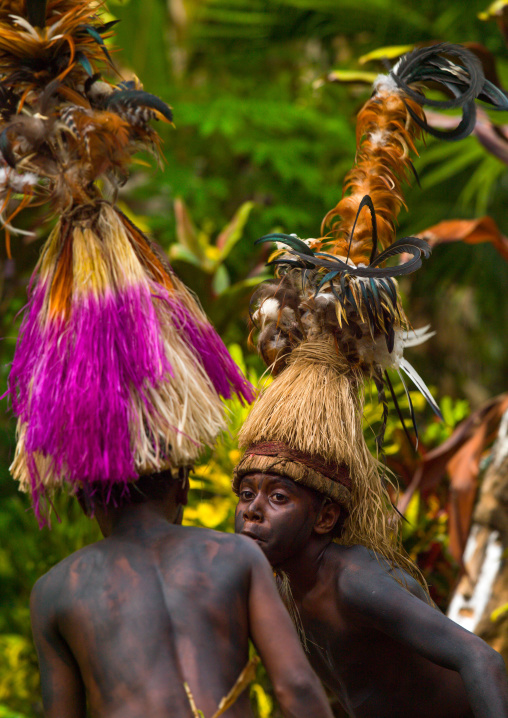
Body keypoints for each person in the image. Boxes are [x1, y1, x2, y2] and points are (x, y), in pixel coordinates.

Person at [30, 469, 335, 718]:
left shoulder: (55, 589)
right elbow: (297, 687)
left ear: (85, 502)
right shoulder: (236, 554)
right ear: (183, 487)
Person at [234, 461, 508, 718]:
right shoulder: (283, 593)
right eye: (246, 494)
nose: (252, 510)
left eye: (278, 497)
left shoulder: (354, 581)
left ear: (325, 517)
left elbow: (481, 657)